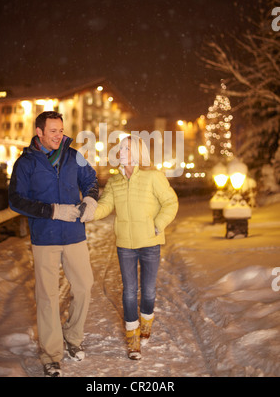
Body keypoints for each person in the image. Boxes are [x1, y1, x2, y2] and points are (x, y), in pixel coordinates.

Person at [9, 111, 98, 377]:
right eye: (53, 132)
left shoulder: (74, 155)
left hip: (74, 235)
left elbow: (91, 180)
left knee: (84, 287)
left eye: (61, 130)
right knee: (47, 297)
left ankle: (73, 338)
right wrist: (52, 210)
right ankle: (51, 354)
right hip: (44, 237)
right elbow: (16, 200)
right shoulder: (25, 163)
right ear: (39, 132)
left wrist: (91, 199)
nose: (59, 136)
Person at [86, 135, 178, 360]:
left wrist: (158, 224)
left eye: (127, 147)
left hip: (150, 242)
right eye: (121, 148)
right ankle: (133, 338)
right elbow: (105, 205)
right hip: (125, 244)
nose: (121, 151)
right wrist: (87, 213)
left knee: (148, 291)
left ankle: (146, 321)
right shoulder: (115, 181)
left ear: (137, 151)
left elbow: (171, 202)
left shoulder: (153, 176)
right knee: (128, 292)